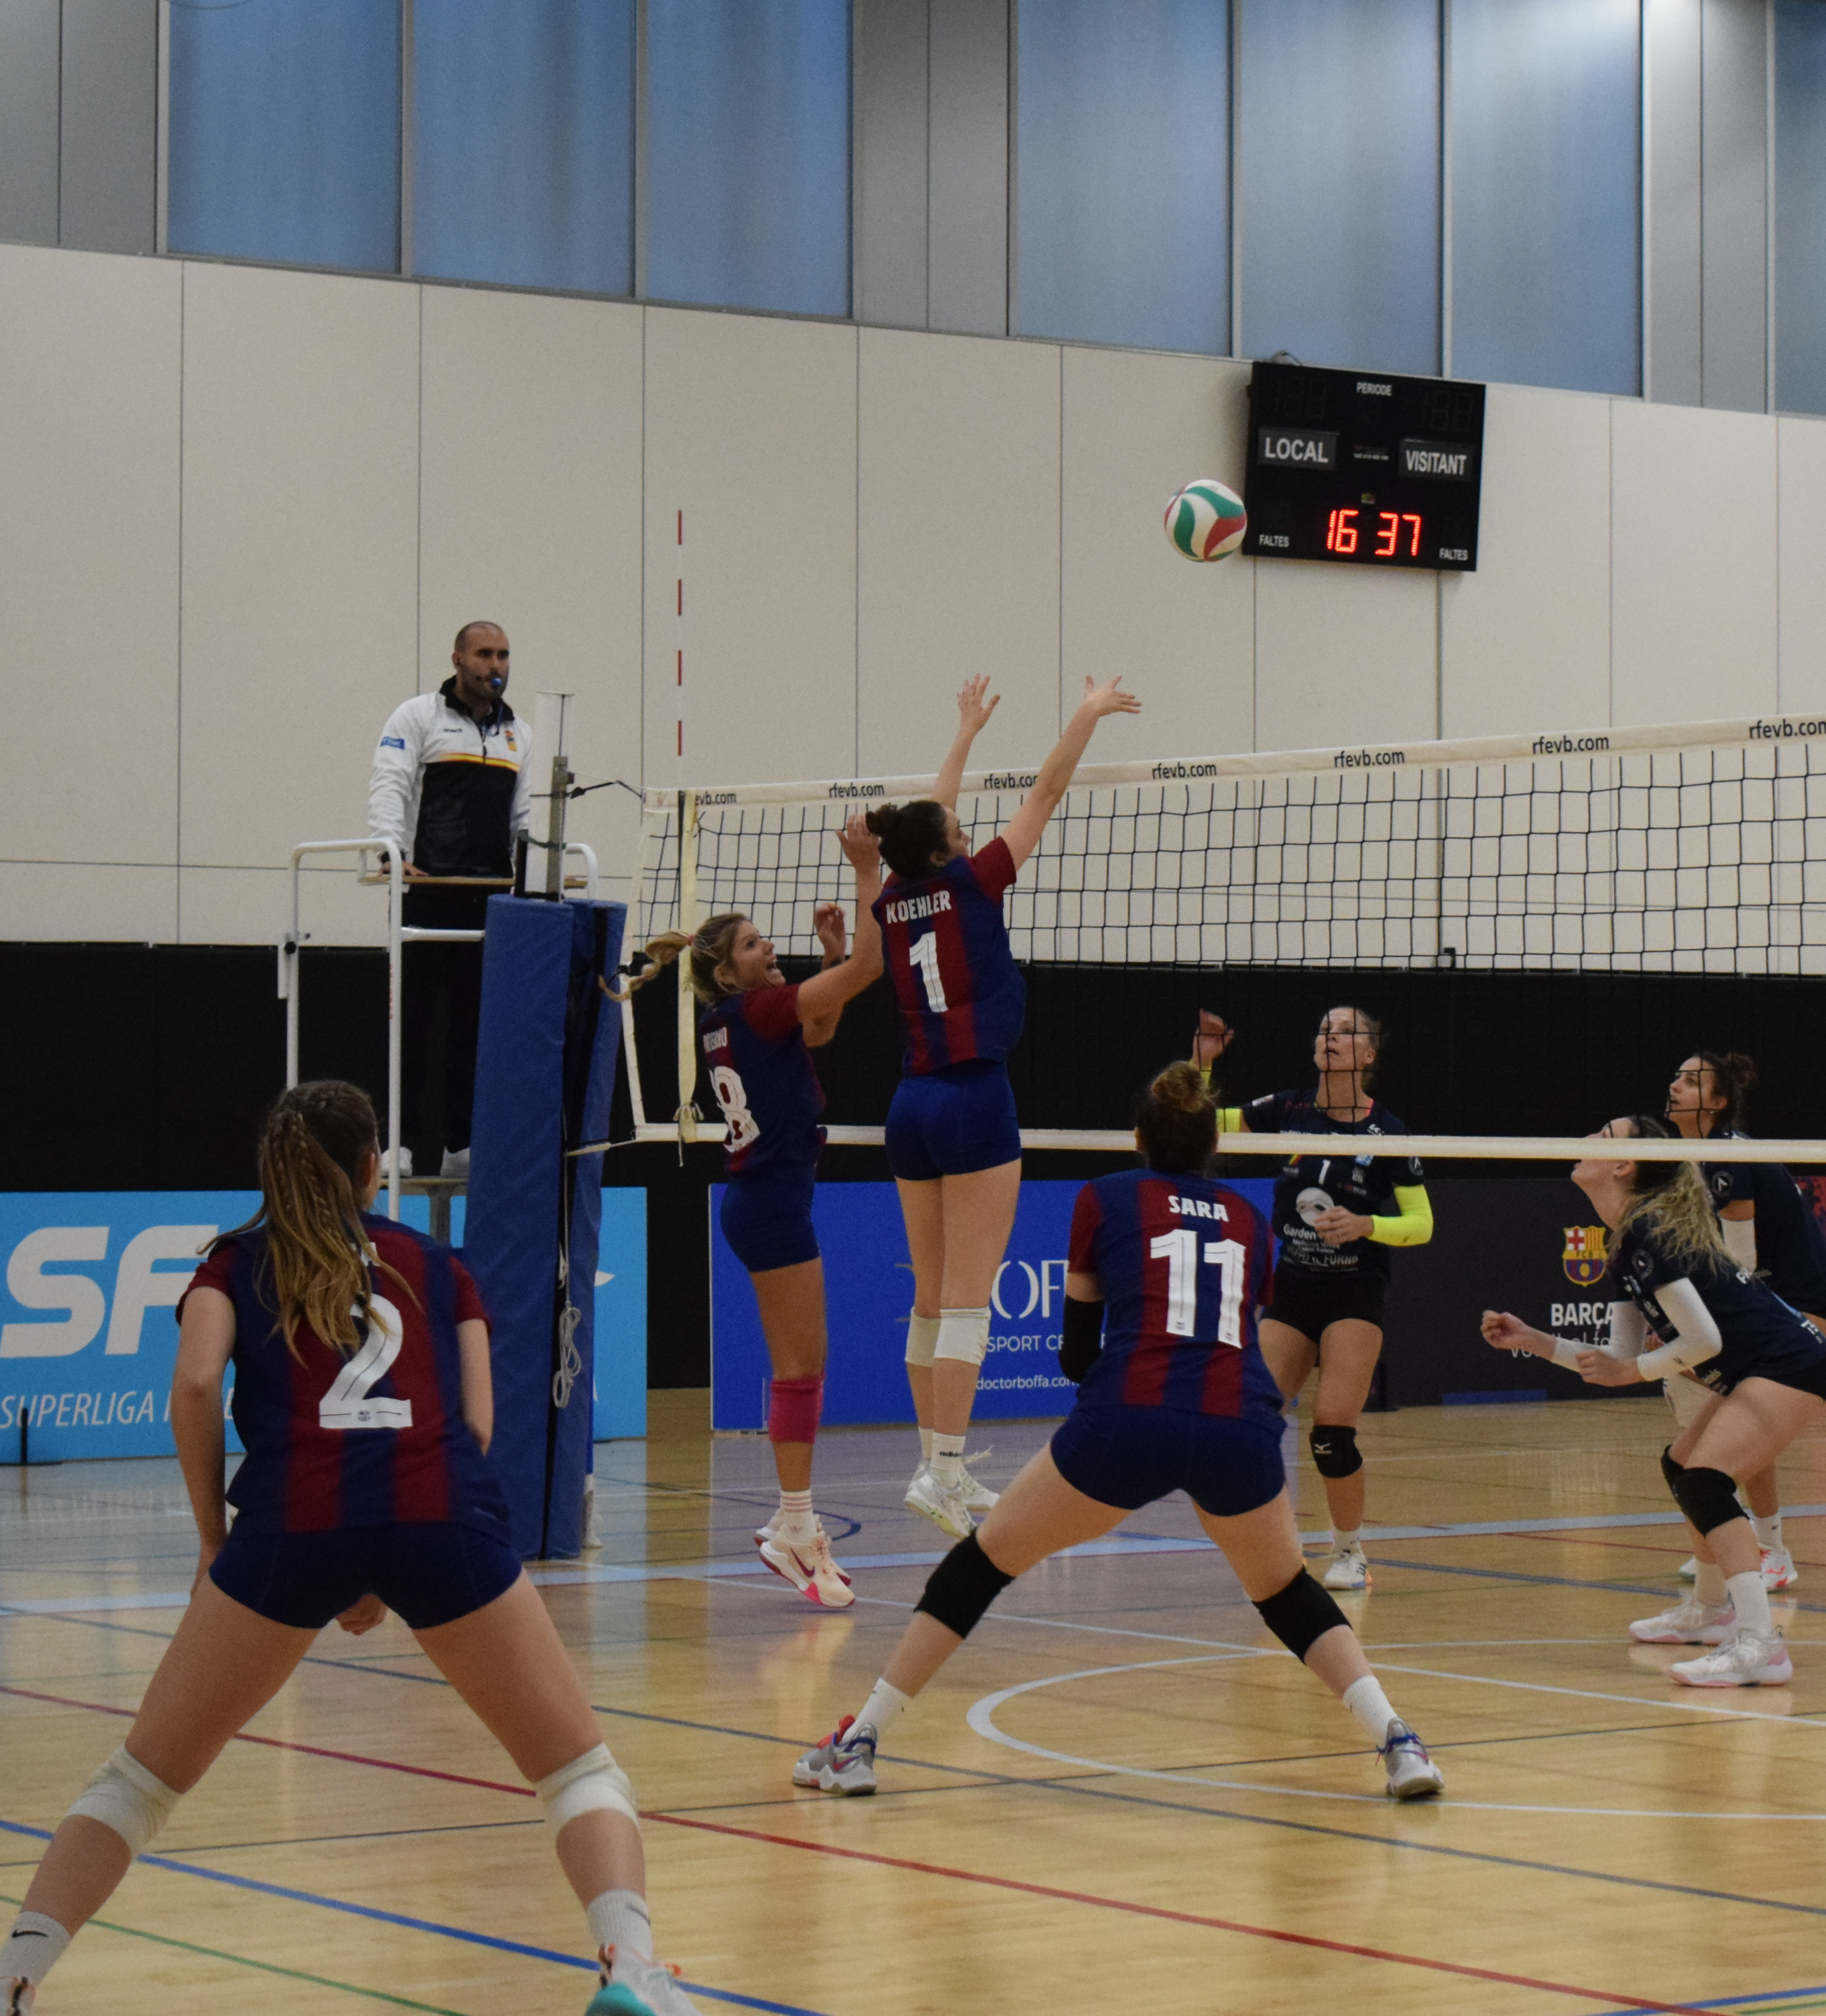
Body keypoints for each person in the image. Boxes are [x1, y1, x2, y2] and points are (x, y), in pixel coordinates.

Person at [0, 1082, 698, 2016]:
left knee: (138, 1782)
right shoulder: (436, 1263)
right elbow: (474, 1420)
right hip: (441, 1515)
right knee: (579, 1772)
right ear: (372, 1165)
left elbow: (192, 1387)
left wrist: (216, 1543)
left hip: (291, 1526)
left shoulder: (231, 1263)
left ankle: (6, 1986)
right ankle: (632, 1972)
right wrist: (397, 1560)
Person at [791, 1061, 1443, 1801]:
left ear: (1138, 1138)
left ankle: (861, 1740)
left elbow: (1075, 1352)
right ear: (1214, 1149)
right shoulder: (1249, 1221)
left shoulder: (1103, 1199)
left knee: (979, 1567)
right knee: (1287, 1592)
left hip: (1130, 1416)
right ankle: (1400, 1740)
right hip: (1239, 1422)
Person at [869, 672, 1139, 1537]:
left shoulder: (893, 897)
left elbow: (924, 819)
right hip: (974, 1098)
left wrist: (963, 733)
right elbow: (1049, 791)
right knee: (967, 1301)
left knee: (930, 1300)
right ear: (950, 848)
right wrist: (1086, 713)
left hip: (909, 1103)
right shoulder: (978, 881)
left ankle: (932, 1460)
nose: (971, 827)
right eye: (960, 829)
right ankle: (944, 1468)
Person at [616, 814, 884, 1609]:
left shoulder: (735, 1018)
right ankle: (794, 1528)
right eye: (755, 946)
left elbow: (825, 1024)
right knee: (802, 1369)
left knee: (805, 1365)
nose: (770, 949)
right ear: (730, 973)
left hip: (764, 1200)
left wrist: (829, 959)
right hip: (770, 1203)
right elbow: (874, 966)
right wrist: (868, 871)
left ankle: (794, 1524)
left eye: (768, 941)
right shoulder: (757, 1012)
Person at [1481, 1118, 1826, 1686]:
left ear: (1625, 1165)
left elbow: (1703, 1341)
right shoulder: (1626, 1237)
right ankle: (1710, 1608)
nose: (1589, 1138)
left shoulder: (1650, 1230)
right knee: (1682, 1466)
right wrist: (1534, 1340)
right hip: (1757, 1365)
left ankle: (1762, 1643)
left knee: (1705, 1479)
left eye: (1604, 1134)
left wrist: (1633, 1371)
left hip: (1790, 1361)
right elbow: (1616, 1357)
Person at [1189, 1005, 1433, 1591]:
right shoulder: (1286, 1109)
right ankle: (1274, 1542)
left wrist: (1368, 1225)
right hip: (1294, 1286)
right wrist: (1200, 1063)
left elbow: (1422, 1223)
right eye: (1325, 1027)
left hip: (1355, 1290)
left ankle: (1350, 1551)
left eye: (1348, 1031)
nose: (1333, 1036)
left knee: (1331, 1433)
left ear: (1369, 1056)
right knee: (1256, 1420)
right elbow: (1196, 1124)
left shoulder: (1390, 1133)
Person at [1661, 1051, 1826, 1592]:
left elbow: (1737, 1266)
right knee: (1726, 1415)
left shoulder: (1724, 1158)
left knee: (1740, 1407)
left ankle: (1770, 1550)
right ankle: (1733, 1545)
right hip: (1777, 1301)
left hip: (1808, 1303)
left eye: (1692, 1081)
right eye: (1676, 1076)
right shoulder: (1687, 1155)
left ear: (1718, 1102)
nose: (1676, 1086)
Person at [368, 620, 529, 1178]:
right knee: (411, 1025)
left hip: (489, 899)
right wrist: (390, 852)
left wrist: (532, 875)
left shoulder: (519, 735)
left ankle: (463, 1142)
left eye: (504, 654)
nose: (496, 665)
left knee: (475, 1026)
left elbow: (523, 818)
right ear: (458, 659)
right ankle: (400, 1143)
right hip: (427, 894)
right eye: (485, 653)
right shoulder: (417, 716)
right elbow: (389, 783)